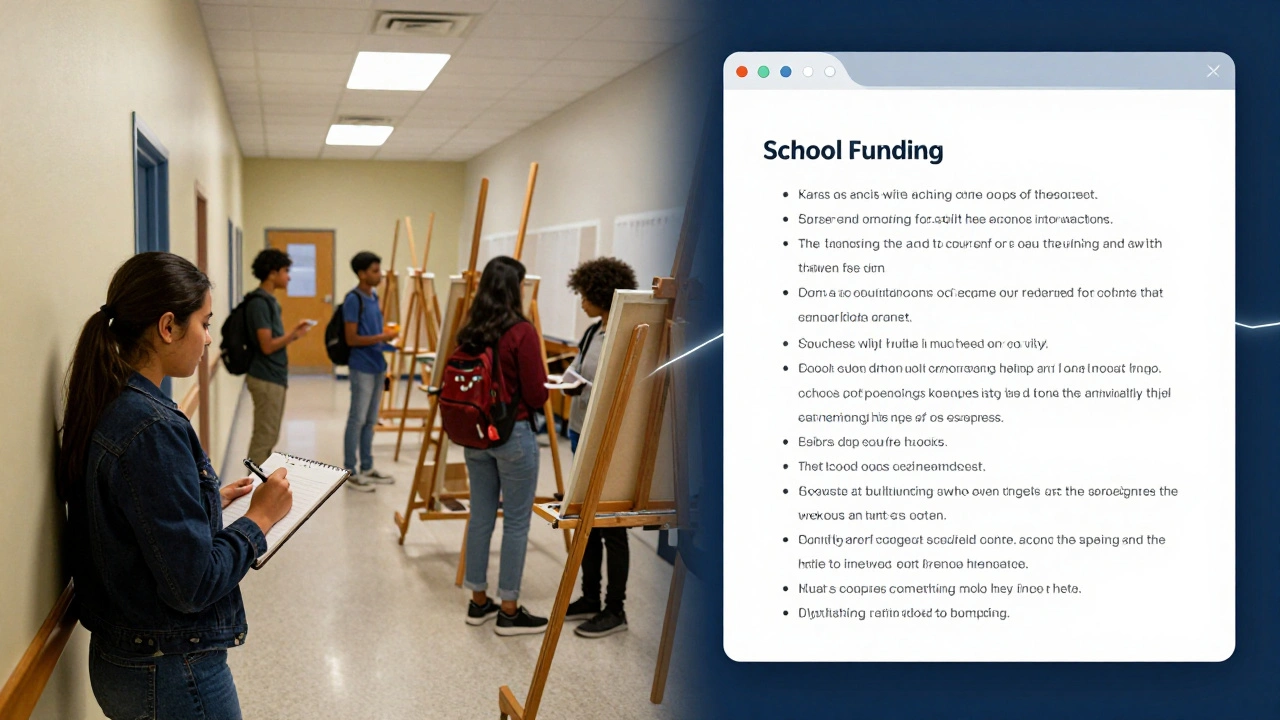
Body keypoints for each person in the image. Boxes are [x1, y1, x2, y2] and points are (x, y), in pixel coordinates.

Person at [59, 252, 294, 720]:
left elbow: (134, 516)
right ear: (168, 327)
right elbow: (193, 584)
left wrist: (208, 497)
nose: (209, 338)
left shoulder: (112, 399)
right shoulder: (150, 426)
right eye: (204, 323)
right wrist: (259, 519)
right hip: (170, 671)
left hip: (126, 659)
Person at [460, 256, 551, 635]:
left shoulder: (469, 330)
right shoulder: (521, 331)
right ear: (515, 287)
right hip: (512, 434)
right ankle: (509, 610)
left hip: (475, 434)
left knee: (480, 517)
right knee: (515, 522)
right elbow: (536, 392)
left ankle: (478, 602)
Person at [561, 257, 639, 638]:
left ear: (600, 293)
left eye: (583, 295)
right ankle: (589, 597)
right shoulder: (593, 332)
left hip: (607, 439)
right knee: (583, 521)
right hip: (580, 432)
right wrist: (567, 382)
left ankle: (615, 608)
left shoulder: (626, 334)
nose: (580, 301)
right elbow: (579, 370)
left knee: (609, 526)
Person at [244, 248, 312, 465]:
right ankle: (253, 491)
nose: (289, 276)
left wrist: (293, 335)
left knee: (270, 435)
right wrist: (292, 334)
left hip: (273, 376)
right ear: (272, 273)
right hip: (265, 378)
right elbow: (267, 346)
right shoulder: (259, 303)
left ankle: (259, 488)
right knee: (264, 438)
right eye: (285, 271)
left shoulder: (270, 300)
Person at [342, 251, 399, 490]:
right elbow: (352, 338)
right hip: (362, 367)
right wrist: (383, 336)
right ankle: (350, 471)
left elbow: (373, 333)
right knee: (357, 419)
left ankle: (367, 466)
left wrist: (387, 341)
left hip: (377, 366)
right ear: (362, 273)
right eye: (375, 270)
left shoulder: (374, 297)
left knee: (370, 420)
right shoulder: (354, 299)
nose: (380, 274)